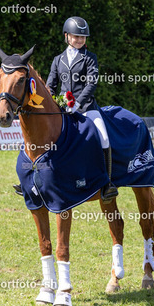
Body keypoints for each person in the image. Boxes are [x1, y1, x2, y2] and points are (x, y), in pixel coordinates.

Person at [46, 16, 118, 200]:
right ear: (66, 36)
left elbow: (91, 84)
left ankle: (107, 184)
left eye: (83, 37)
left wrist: (77, 103)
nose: (79, 40)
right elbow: (50, 86)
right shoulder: (58, 60)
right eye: (76, 36)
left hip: (86, 107)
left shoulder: (90, 58)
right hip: (62, 109)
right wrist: (53, 102)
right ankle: (35, 179)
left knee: (103, 137)